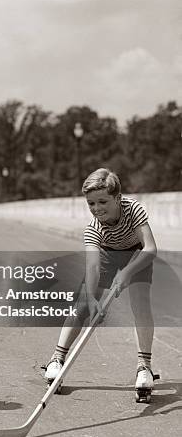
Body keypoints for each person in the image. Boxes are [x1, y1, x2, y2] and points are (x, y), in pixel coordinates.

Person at [44, 168, 158, 399]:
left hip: (138, 254)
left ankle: (144, 367)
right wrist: (93, 298)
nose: (97, 209)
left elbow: (151, 248)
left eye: (103, 201)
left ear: (117, 197)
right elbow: (93, 267)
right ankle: (57, 358)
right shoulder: (93, 229)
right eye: (91, 204)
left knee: (140, 305)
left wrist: (126, 272)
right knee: (83, 303)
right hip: (107, 253)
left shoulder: (133, 209)